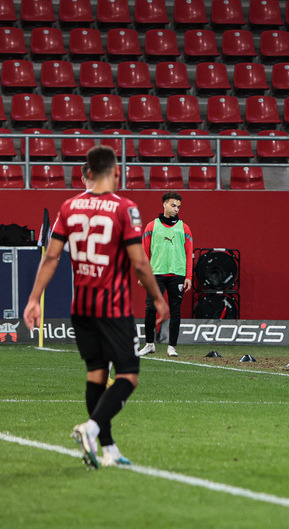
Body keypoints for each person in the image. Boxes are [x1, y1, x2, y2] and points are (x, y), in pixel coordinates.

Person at [22, 145, 169, 468]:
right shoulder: (124, 208)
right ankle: (90, 428)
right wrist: (158, 298)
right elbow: (140, 262)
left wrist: (34, 299)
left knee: (96, 375)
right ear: (116, 172)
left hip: (82, 307)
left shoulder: (69, 206)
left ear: (87, 173)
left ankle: (108, 449)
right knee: (128, 376)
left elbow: (51, 256)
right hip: (112, 307)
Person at [138, 191, 193, 357]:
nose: (176, 209)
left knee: (175, 311)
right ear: (164, 205)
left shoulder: (184, 228)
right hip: (156, 274)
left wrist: (188, 276)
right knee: (150, 309)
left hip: (177, 274)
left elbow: (189, 254)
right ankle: (149, 344)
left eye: (178, 206)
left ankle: (172, 346)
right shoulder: (151, 226)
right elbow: (144, 253)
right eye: (173, 205)